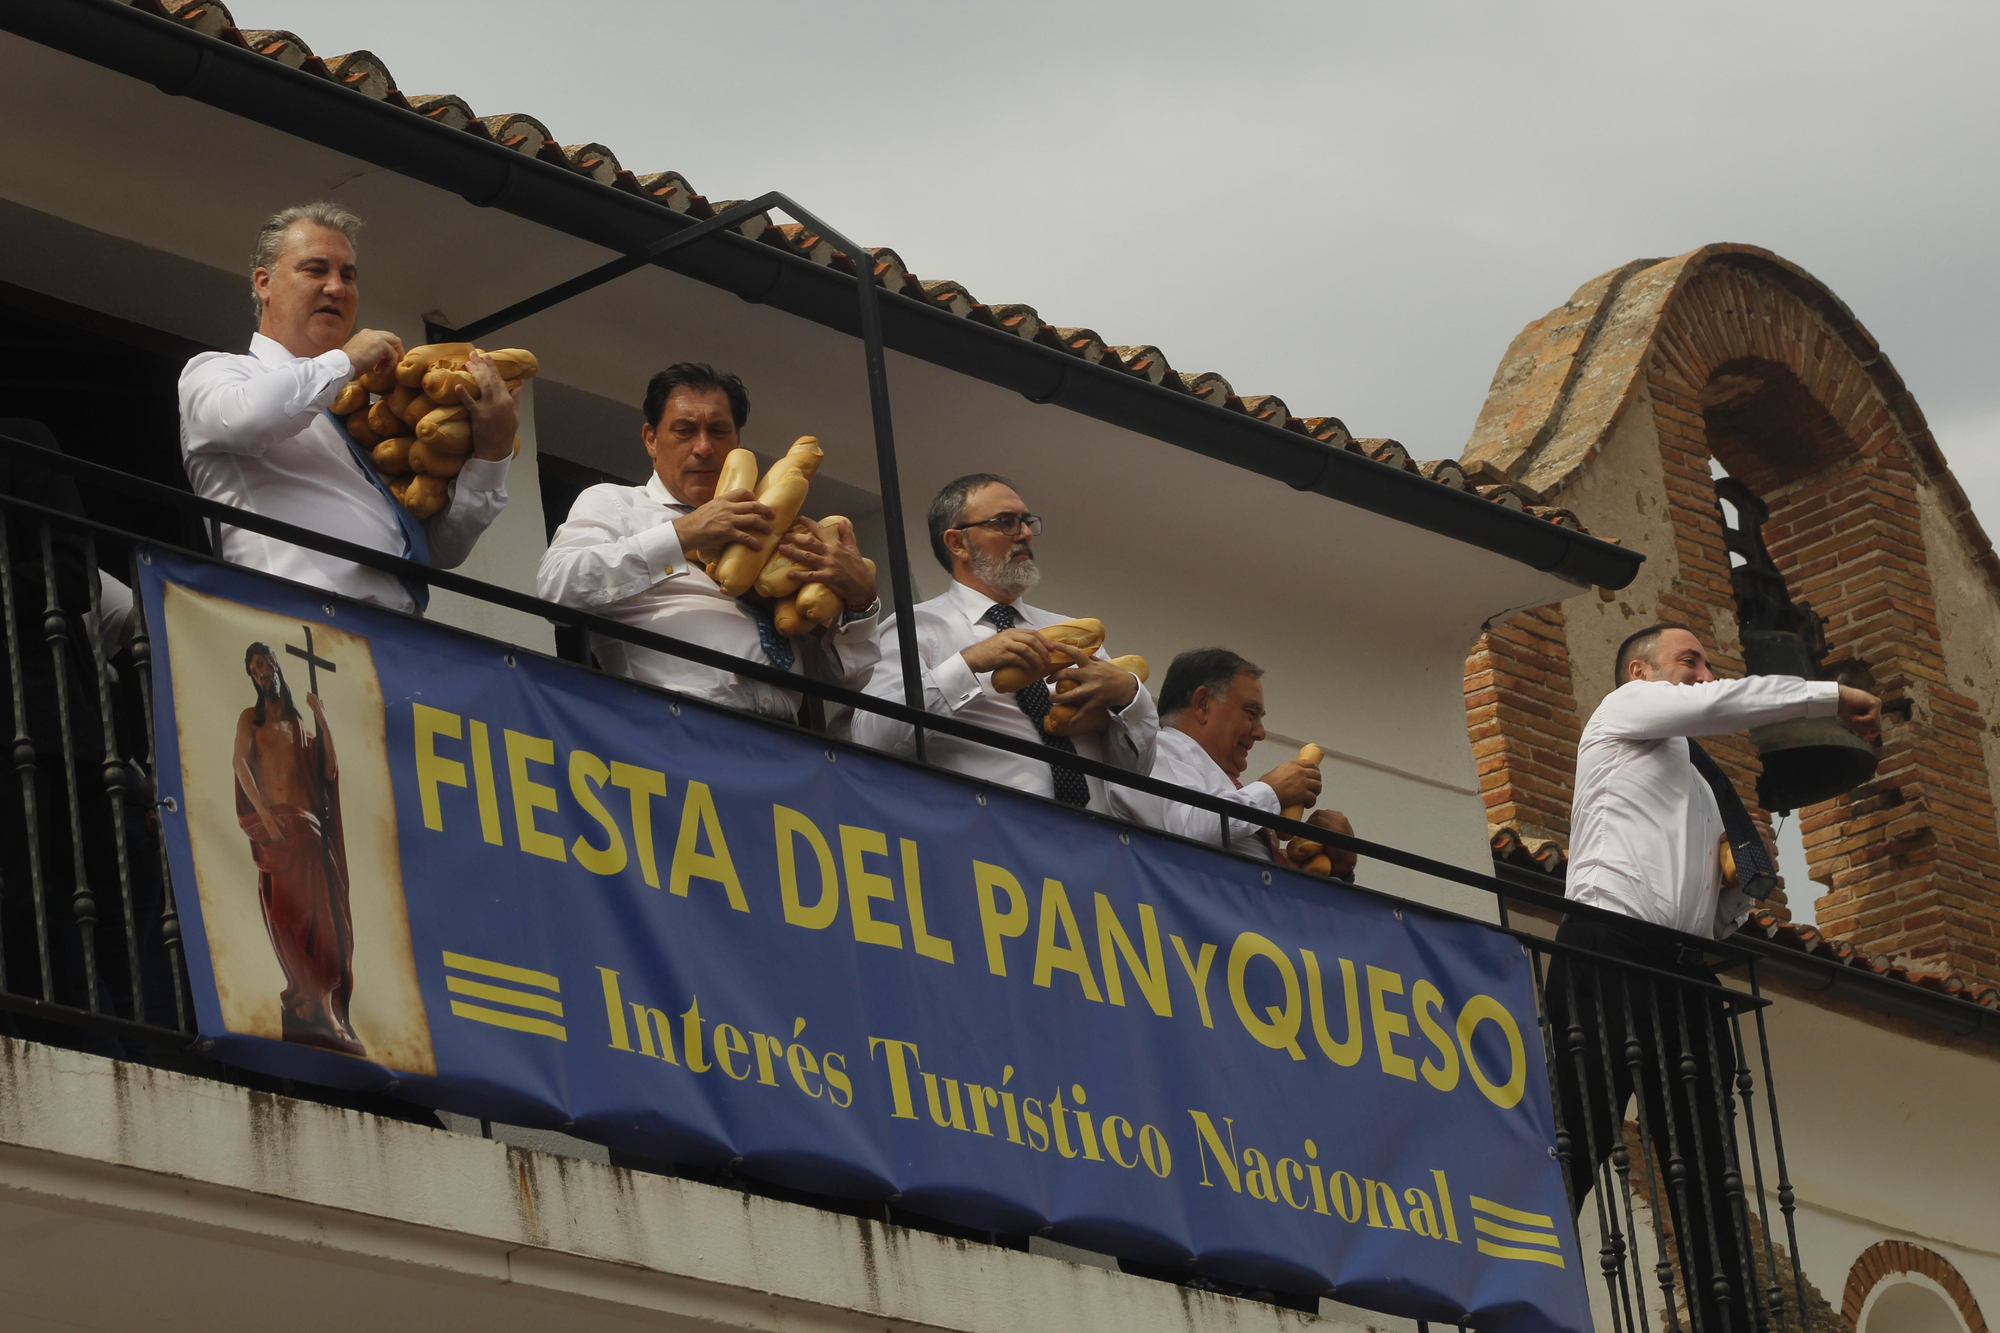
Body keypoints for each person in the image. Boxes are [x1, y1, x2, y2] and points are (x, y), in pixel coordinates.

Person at [1545, 622, 1880, 1333]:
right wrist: (1827, 696)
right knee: (1572, 1138)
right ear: (1640, 672)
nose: (1703, 672)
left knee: (1705, 1168)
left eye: (1707, 660)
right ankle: (1515, 1288)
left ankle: (1728, 1319)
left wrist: (1733, 889)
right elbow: (1723, 703)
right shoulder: (1621, 711)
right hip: (1607, 948)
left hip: (1679, 968)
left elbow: (1706, 910)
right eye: (1687, 659)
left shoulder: (1699, 785)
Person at [180, 201, 519, 613]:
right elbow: (243, 420)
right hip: (296, 624)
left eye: (349, 275)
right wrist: (346, 359)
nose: (337, 288)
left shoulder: (361, 416)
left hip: (397, 639)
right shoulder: (217, 372)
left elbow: (439, 551)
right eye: (316, 269)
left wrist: (491, 454)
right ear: (264, 283)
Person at [536, 363, 880, 720]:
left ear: (737, 442)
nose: (703, 447)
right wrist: (684, 533)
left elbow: (845, 681)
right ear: (651, 439)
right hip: (675, 724)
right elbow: (557, 589)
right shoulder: (617, 503)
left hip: (785, 746)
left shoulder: (776, 528)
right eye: (685, 431)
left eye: (718, 431)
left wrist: (859, 602)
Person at [850, 474, 1157, 811]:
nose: (1024, 533)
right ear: (958, 543)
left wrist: (1129, 697)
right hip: (986, 837)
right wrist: (968, 664)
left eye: (1025, 521)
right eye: (1006, 523)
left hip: (1092, 839)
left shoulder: (1071, 633)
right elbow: (871, 736)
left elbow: (1135, 772)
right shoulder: (916, 628)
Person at [1108, 648, 1356, 874]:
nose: (1260, 733)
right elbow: (1187, 832)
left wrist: (1338, 865)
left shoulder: (1220, 784)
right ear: (1203, 704)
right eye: (1251, 713)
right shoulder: (1154, 752)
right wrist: (1271, 791)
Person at [233, 642, 361, 1056]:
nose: (261, 672)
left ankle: (325, 1011)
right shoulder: (250, 722)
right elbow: (239, 764)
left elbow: (328, 771)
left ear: (276, 667)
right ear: (252, 677)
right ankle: (306, 1000)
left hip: (308, 833)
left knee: (322, 918)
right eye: (254, 668)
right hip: (276, 836)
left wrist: (321, 717)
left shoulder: (299, 724)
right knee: (283, 916)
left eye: (265, 663)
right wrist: (265, 816)